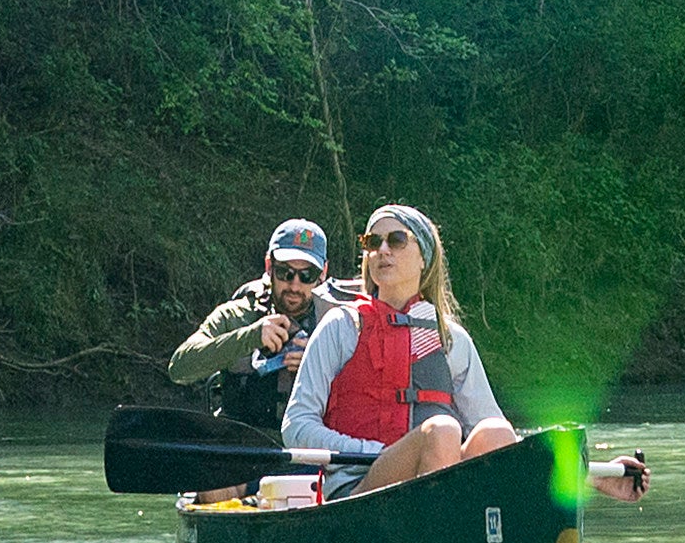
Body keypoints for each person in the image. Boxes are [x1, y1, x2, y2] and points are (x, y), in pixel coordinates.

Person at [284, 205, 510, 487]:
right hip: (358, 483)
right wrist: (373, 452)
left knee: (497, 433)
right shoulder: (342, 326)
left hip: (431, 482)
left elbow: (497, 439)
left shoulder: (451, 339)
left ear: (423, 259)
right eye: (373, 242)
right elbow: (296, 426)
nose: (383, 250)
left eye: (397, 240)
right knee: (441, 430)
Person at [170, 217, 340, 429]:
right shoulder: (236, 315)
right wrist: (250, 337)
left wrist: (318, 364)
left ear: (323, 273)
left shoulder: (338, 324)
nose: (295, 286)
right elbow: (179, 368)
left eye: (307, 275)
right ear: (269, 266)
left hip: (309, 451)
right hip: (240, 447)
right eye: (285, 272)